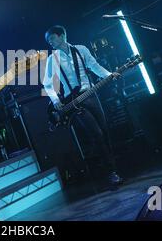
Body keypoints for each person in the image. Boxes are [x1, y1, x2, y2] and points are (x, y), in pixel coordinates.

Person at [42, 25, 123, 186]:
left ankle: (113, 168)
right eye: (48, 40)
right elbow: (47, 83)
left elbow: (94, 66)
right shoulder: (52, 59)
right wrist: (56, 100)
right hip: (73, 102)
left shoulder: (81, 50)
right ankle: (111, 172)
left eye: (52, 38)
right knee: (96, 134)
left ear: (62, 35)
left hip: (91, 94)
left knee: (104, 131)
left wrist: (109, 75)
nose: (49, 42)